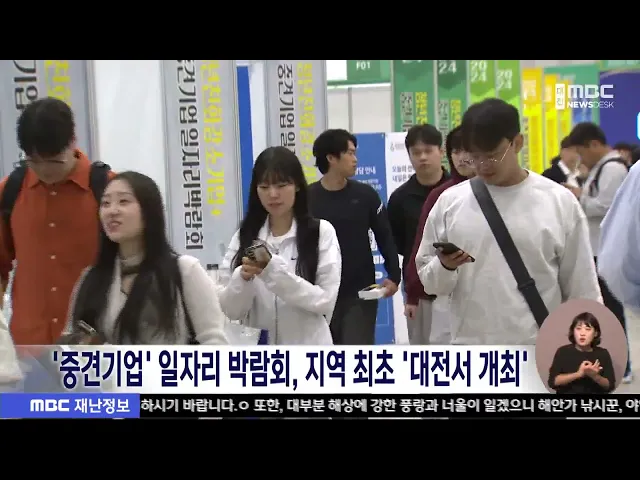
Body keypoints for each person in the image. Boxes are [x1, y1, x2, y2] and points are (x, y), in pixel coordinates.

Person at [415, 98, 601, 345]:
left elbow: (582, 288)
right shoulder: (450, 203)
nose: (483, 166)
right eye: (475, 157)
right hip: (471, 352)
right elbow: (429, 282)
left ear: (517, 143)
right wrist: (445, 266)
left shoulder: (558, 202)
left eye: (492, 156)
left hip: (539, 350)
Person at [0, 97, 115, 345]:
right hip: (28, 347)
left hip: (95, 348)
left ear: (72, 141)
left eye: (53, 160)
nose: (44, 169)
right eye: (33, 161)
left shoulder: (109, 191)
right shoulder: (10, 191)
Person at [64, 171, 227, 345]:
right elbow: (69, 342)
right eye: (105, 203)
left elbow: (214, 342)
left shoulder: (184, 270)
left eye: (123, 201)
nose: (112, 211)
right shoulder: (91, 278)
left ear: (149, 211)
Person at [219, 147, 341, 345]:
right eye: (264, 187)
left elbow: (325, 301)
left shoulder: (321, 233)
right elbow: (231, 310)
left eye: (281, 185)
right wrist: (242, 278)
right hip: (260, 354)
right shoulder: (245, 235)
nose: (273, 194)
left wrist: (273, 271)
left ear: (297, 185)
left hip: (308, 351)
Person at [308, 129, 401, 345]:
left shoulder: (366, 195)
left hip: (361, 292)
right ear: (331, 158)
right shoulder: (307, 199)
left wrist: (394, 275)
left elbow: (385, 236)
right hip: (318, 292)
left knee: (357, 352)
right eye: (349, 153)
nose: (355, 159)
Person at [565, 122, 631, 382]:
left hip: (605, 249)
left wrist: (578, 196)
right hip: (597, 248)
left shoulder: (612, 168)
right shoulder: (602, 167)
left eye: (582, 152)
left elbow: (607, 206)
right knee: (603, 308)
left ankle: (621, 365)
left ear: (594, 144)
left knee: (610, 309)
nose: (581, 158)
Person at [404, 125, 474, 344]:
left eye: (467, 150)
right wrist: (413, 293)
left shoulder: (500, 192)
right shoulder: (442, 196)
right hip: (445, 293)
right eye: (456, 151)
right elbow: (420, 248)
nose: (461, 157)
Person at [547, 312, 616, 394]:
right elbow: (552, 382)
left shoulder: (603, 353)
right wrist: (579, 374)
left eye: (588, 329)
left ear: (595, 333)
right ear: (573, 331)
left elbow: (610, 385)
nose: (582, 334)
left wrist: (594, 376)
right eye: (578, 328)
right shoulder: (562, 352)